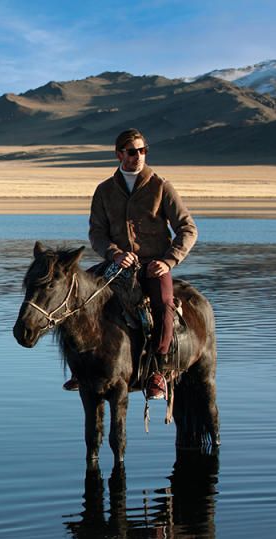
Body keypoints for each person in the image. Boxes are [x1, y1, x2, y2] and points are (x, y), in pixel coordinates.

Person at [72, 129, 198, 400]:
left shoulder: (161, 186)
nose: (139, 156)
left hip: (154, 265)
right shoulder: (104, 191)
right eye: (132, 151)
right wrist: (114, 253)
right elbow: (96, 233)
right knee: (77, 296)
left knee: (164, 307)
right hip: (118, 263)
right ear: (118, 154)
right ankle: (81, 368)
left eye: (143, 151)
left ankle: (158, 372)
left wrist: (168, 260)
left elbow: (187, 229)